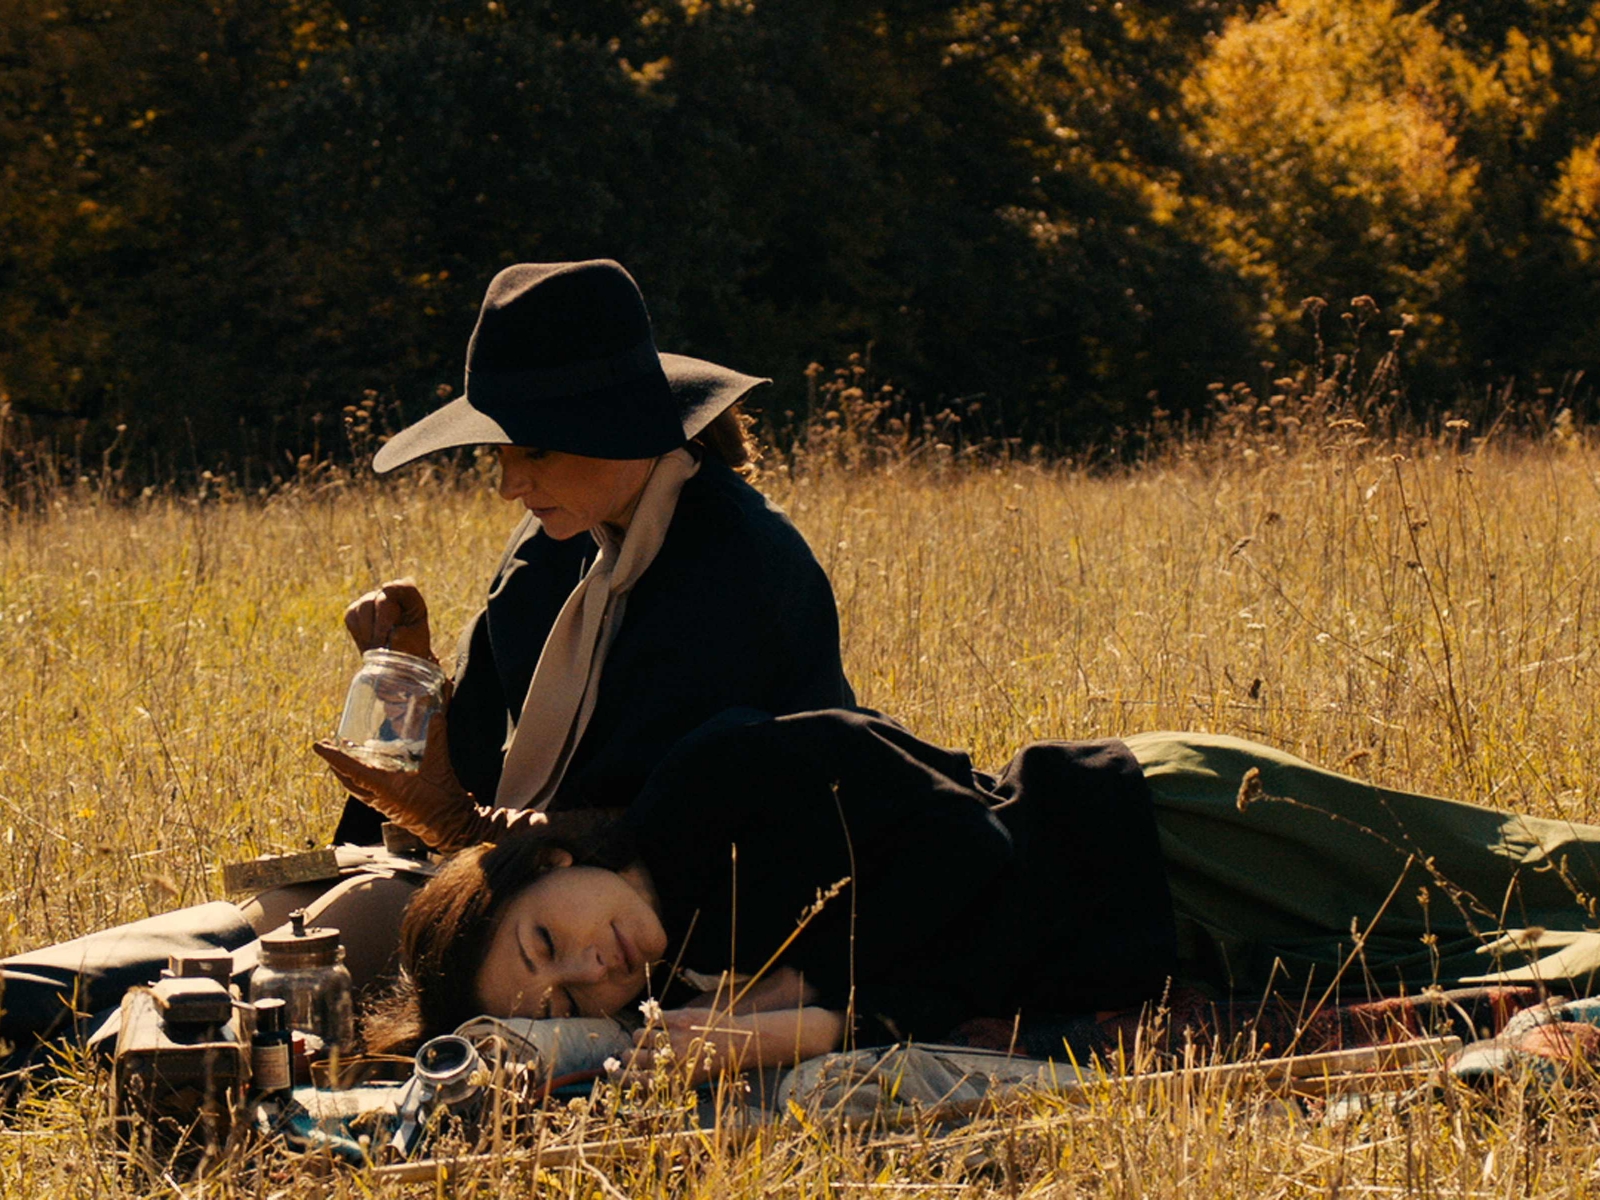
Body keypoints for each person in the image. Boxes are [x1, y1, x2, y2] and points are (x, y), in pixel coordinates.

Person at [365, 707, 1600, 1079]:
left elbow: (968, 858)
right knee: (1507, 957)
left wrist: (821, 1014)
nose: (591, 971)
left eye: (549, 940)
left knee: (1536, 872)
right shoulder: (695, 978)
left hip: (1168, 833)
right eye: (561, 997)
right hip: (1158, 943)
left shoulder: (709, 783)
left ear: (549, 864)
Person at [246, 258, 857, 980]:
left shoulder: (740, 566)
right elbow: (461, 770)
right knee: (265, 909)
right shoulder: (549, 549)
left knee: (307, 949)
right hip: (514, 874)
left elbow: (661, 831)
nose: (510, 484)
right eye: (499, 453)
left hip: (647, 931)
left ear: (624, 428)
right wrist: (406, 685)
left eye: (536, 449)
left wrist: (458, 836)